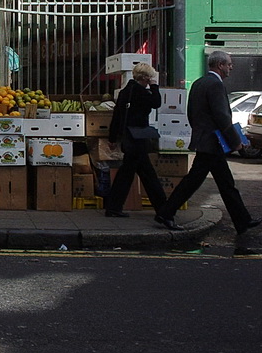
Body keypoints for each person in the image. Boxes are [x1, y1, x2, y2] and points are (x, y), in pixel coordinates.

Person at [155, 51, 261, 234]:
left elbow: (191, 113)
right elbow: (222, 117)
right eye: (229, 64)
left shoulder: (198, 83)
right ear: (220, 65)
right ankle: (166, 212)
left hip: (205, 141)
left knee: (217, 183)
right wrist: (235, 142)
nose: (231, 67)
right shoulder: (215, 85)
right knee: (210, 183)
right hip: (213, 143)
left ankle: (242, 221)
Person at [104, 62, 167, 217]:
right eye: (151, 76)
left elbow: (117, 115)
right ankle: (164, 210)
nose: (152, 78)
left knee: (127, 174)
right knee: (146, 175)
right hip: (138, 138)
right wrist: (154, 87)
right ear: (145, 77)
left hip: (128, 138)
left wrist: (112, 138)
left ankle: (113, 207)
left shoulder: (126, 91)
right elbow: (156, 102)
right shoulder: (142, 92)